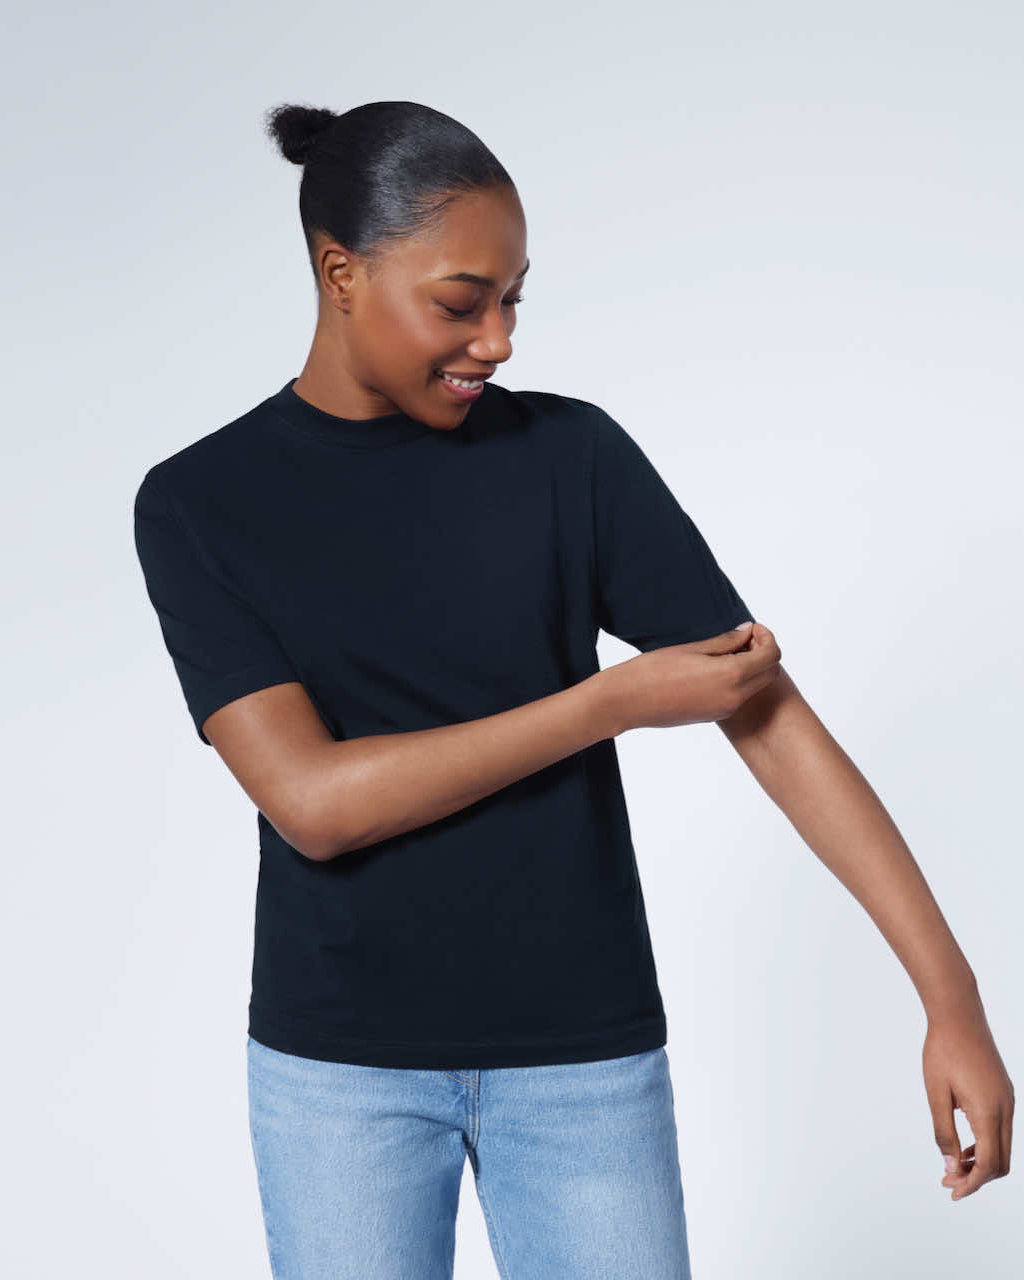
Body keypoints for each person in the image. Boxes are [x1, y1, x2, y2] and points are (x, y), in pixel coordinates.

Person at [132, 101, 1013, 1279]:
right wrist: (603, 703)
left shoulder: (569, 455)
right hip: (338, 1075)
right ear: (340, 272)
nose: (496, 340)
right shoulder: (202, 501)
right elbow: (315, 801)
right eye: (460, 302)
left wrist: (948, 995)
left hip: (584, 1062)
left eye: (513, 300)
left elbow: (763, 706)